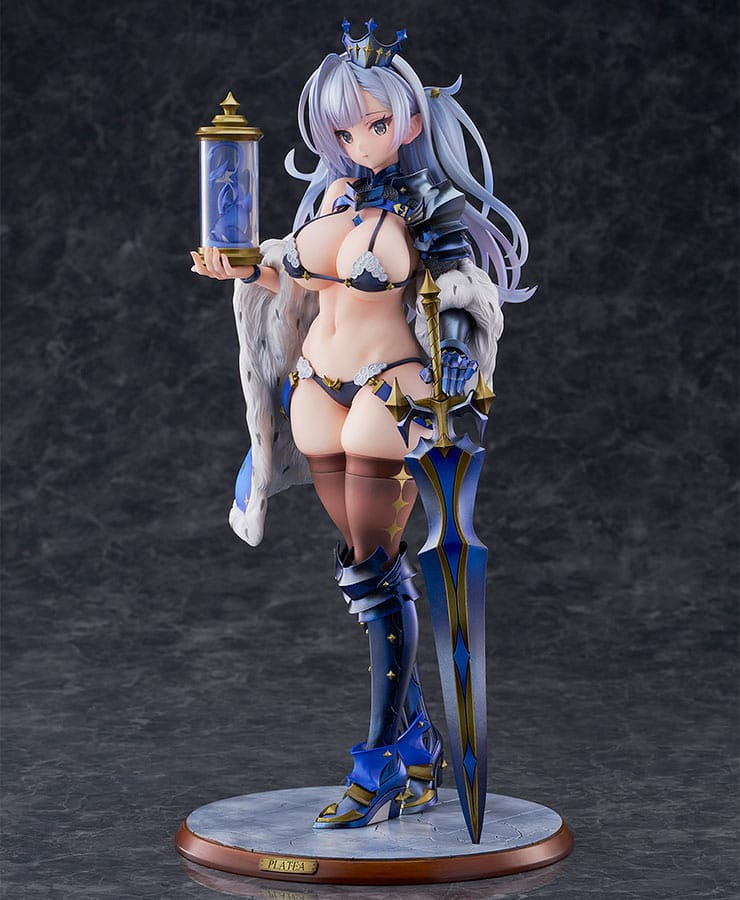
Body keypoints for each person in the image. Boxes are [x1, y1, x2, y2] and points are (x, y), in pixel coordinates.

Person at [190, 18, 533, 831]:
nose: (358, 140)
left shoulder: (433, 208)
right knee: (366, 576)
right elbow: (296, 277)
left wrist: (457, 357)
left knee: (377, 573)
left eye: (374, 123)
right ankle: (418, 747)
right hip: (317, 388)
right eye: (343, 129)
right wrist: (244, 266)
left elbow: (459, 291)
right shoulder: (335, 198)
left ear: (408, 121)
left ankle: (379, 761)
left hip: (389, 393)